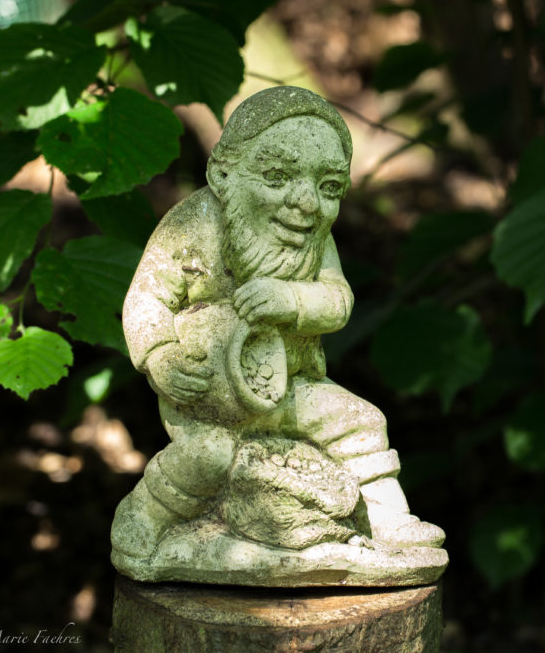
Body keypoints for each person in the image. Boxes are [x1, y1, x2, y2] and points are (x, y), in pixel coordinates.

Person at [110, 86, 444, 564]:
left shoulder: (316, 241)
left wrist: (291, 300)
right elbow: (147, 297)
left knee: (362, 422)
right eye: (277, 177)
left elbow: (338, 302)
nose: (307, 204)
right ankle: (145, 517)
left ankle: (389, 521)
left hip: (292, 387)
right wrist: (160, 354)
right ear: (223, 174)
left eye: (329, 188)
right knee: (207, 456)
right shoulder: (194, 225)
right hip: (208, 396)